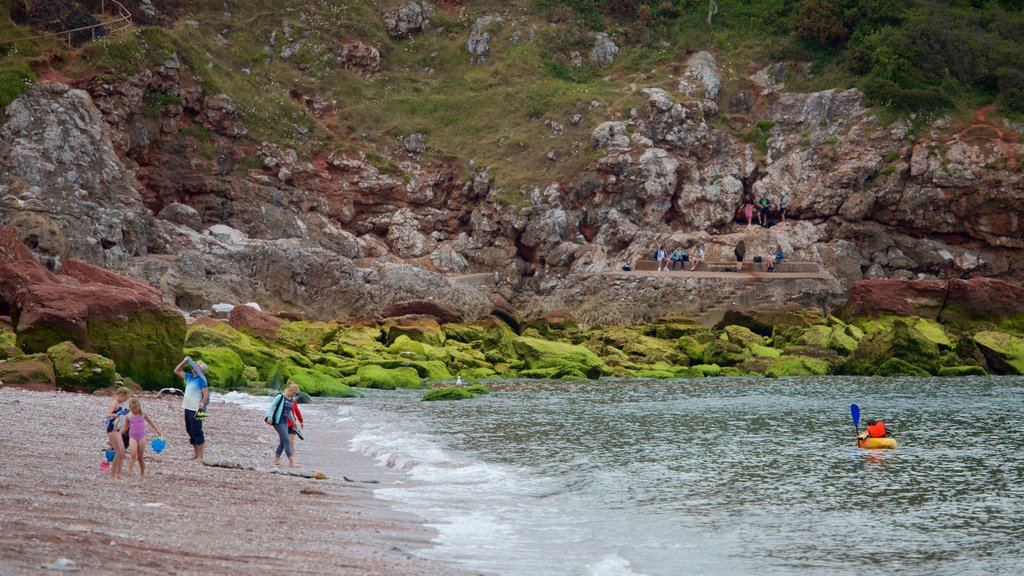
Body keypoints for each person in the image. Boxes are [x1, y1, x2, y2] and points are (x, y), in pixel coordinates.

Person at [174, 356, 209, 461]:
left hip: (198, 409)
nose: (194, 369)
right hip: (187, 407)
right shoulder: (189, 377)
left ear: (201, 371)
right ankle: (195, 454)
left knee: (197, 430)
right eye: (194, 367)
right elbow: (177, 370)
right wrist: (185, 362)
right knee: (189, 430)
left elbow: (206, 393)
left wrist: (202, 403)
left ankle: (201, 456)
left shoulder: (202, 380)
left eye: (197, 368)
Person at [123, 398, 164, 477]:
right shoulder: (128, 416)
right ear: (130, 408)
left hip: (141, 436)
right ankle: (130, 471)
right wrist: (120, 434)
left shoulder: (143, 414)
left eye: (136, 408)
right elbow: (125, 427)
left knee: (140, 456)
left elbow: (151, 423)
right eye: (132, 409)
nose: (134, 410)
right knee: (133, 454)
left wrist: (158, 431)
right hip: (132, 437)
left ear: (139, 407)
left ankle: (142, 473)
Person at [266, 382, 301, 467]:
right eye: (294, 393)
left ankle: (276, 460)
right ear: (290, 390)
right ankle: (291, 461)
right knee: (287, 440)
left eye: (295, 394)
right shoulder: (280, 396)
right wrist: (270, 417)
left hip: (285, 421)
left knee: (282, 442)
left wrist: (293, 421)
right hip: (278, 421)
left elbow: (288, 412)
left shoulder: (291, 399)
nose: (294, 395)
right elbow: (272, 406)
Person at [103, 386, 131, 480]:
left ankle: (119, 474)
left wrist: (123, 413)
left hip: (117, 430)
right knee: (118, 452)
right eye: (125, 398)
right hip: (112, 430)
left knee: (122, 452)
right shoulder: (114, 403)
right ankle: (112, 475)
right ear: (121, 395)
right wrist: (115, 415)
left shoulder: (118, 404)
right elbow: (107, 415)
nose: (124, 401)